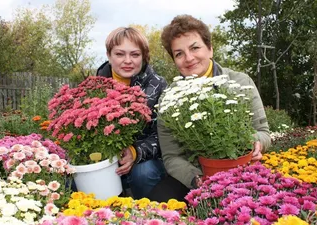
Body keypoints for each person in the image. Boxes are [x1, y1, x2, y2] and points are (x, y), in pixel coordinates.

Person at [148, 15, 271, 202]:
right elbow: (172, 157)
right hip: (196, 174)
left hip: (241, 167)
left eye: (195, 48)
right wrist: (197, 179)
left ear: (210, 49)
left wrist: (256, 143)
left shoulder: (240, 82)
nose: (189, 58)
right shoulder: (169, 99)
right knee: (158, 203)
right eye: (179, 53)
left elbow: (263, 132)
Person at [96, 27, 167, 199]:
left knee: (143, 172)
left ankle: (150, 215)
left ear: (143, 57)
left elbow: (164, 135)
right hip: (108, 157)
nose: (127, 61)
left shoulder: (157, 86)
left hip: (147, 159)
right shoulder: (95, 87)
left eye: (135, 55)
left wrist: (135, 153)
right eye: (120, 54)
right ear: (109, 55)